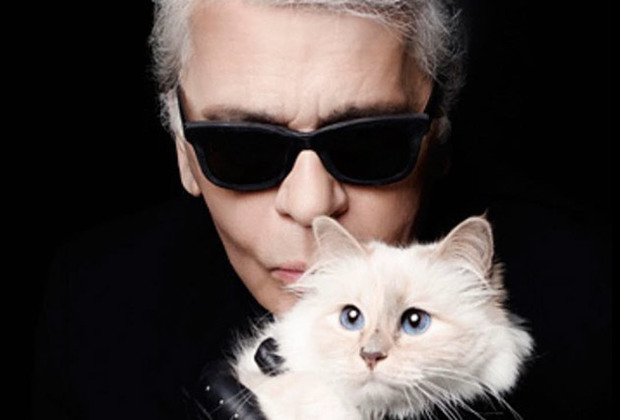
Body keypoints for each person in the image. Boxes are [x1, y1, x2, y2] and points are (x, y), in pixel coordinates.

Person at [32, 0, 610, 419]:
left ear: (438, 140)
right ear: (183, 153)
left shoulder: (588, 298)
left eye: (371, 143)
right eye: (241, 148)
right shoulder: (92, 308)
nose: (311, 206)